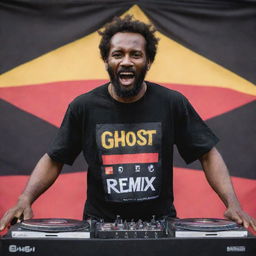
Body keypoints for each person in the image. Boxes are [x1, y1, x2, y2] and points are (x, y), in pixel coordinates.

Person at [0, 15, 255, 231]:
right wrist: (25, 199)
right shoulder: (84, 106)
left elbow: (207, 153)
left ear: (148, 62)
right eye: (117, 54)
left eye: (136, 54)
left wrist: (232, 204)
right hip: (99, 226)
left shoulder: (172, 102)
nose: (126, 61)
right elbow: (55, 157)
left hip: (161, 226)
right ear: (106, 61)